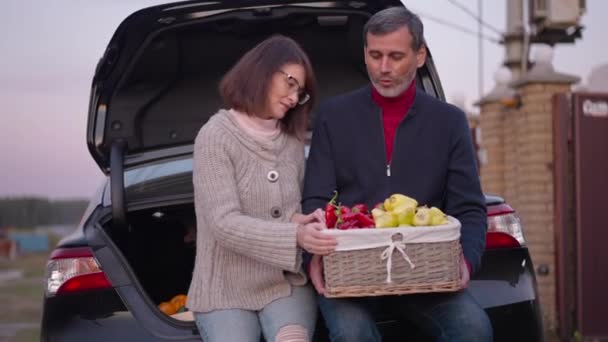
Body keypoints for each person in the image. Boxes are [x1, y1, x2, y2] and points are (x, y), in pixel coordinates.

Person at [302, 6, 492, 342]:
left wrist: (466, 260)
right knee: (351, 333)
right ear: (365, 54)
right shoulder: (333, 115)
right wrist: (312, 256)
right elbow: (316, 200)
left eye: (396, 56)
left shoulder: (449, 123)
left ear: (420, 56)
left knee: (474, 328)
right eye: (375, 55)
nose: (384, 68)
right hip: (350, 276)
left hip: (425, 271)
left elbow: (469, 208)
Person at [186, 35, 337, 342]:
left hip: (283, 282)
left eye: (301, 92)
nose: (295, 98)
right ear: (263, 72)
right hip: (224, 288)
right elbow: (223, 224)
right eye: (291, 83)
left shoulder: (292, 141)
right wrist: (294, 234)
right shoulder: (214, 136)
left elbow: (288, 211)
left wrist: (306, 223)